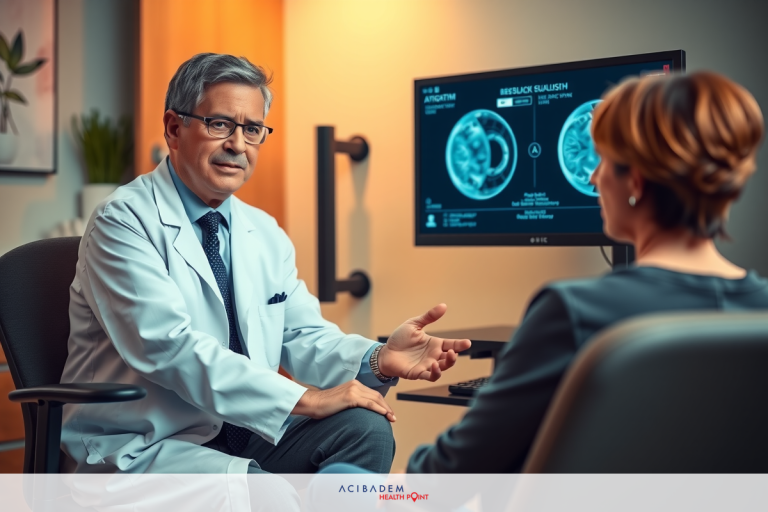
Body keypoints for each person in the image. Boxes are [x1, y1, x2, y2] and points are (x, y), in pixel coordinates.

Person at [60, 53, 471, 476]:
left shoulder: (262, 230)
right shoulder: (123, 220)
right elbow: (169, 347)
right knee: (263, 493)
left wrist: (378, 357)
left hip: (241, 430)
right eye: (219, 124)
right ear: (174, 128)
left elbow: (301, 333)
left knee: (365, 429)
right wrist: (304, 399)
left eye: (252, 129)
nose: (237, 145)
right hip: (147, 443)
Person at [403, 71, 766, 473]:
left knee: (339, 482)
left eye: (603, 161)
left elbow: (448, 478)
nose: (593, 177)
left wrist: (374, 483)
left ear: (637, 183)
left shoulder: (572, 311)